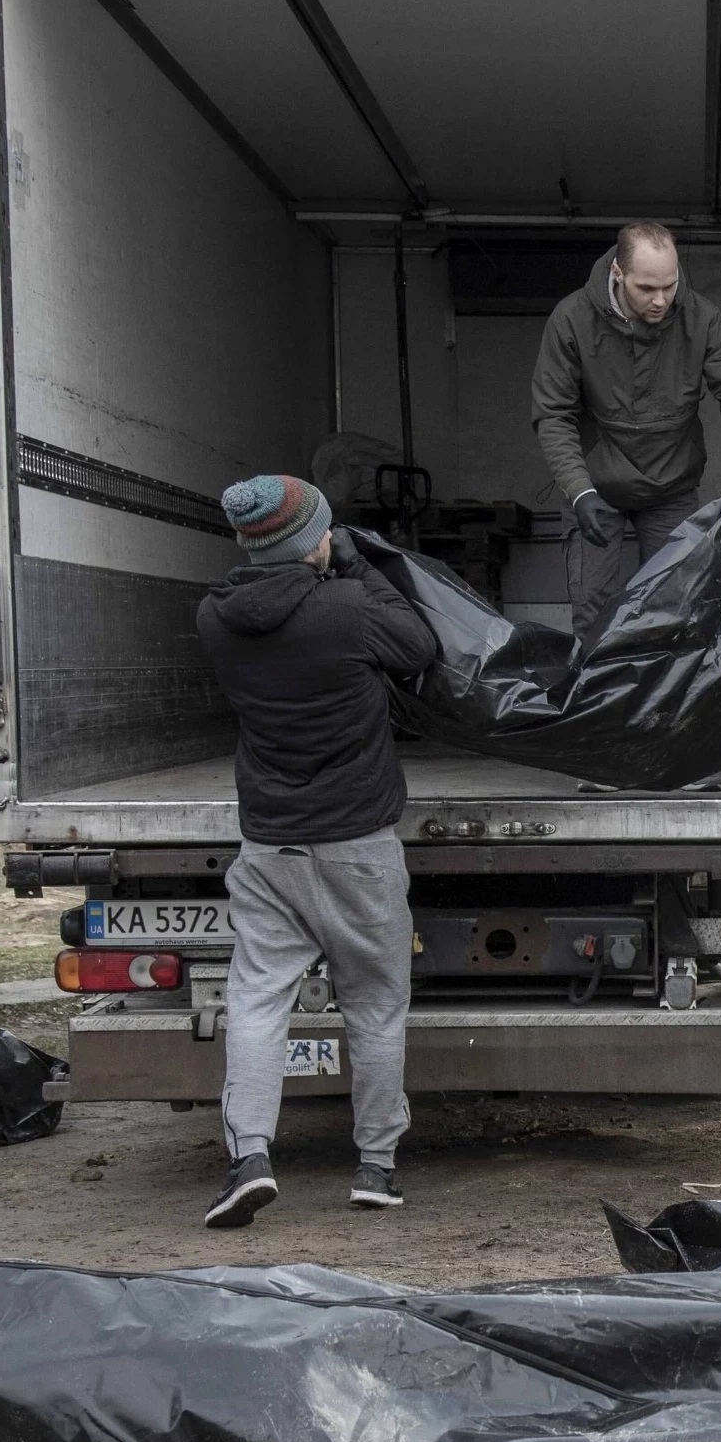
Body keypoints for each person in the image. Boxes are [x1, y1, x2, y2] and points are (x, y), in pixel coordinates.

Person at [196, 474, 438, 1225]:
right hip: (359, 844)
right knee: (373, 1003)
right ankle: (375, 1165)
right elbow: (421, 644)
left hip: (270, 846)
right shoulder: (348, 607)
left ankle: (250, 1158)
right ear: (315, 540)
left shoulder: (213, 618)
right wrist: (355, 564)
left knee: (258, 999)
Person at [531, 221, 721, 648]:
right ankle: (599, 707)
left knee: (674, 609)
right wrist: (579, 491)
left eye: (669, 286)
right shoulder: (572, 319)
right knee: (593, 611)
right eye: (646, 288)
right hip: (597, 489)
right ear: (617, 272)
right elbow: (553, 413)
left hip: (670, 487)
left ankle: (660, 712)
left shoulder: (701, 318)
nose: (660, 300)